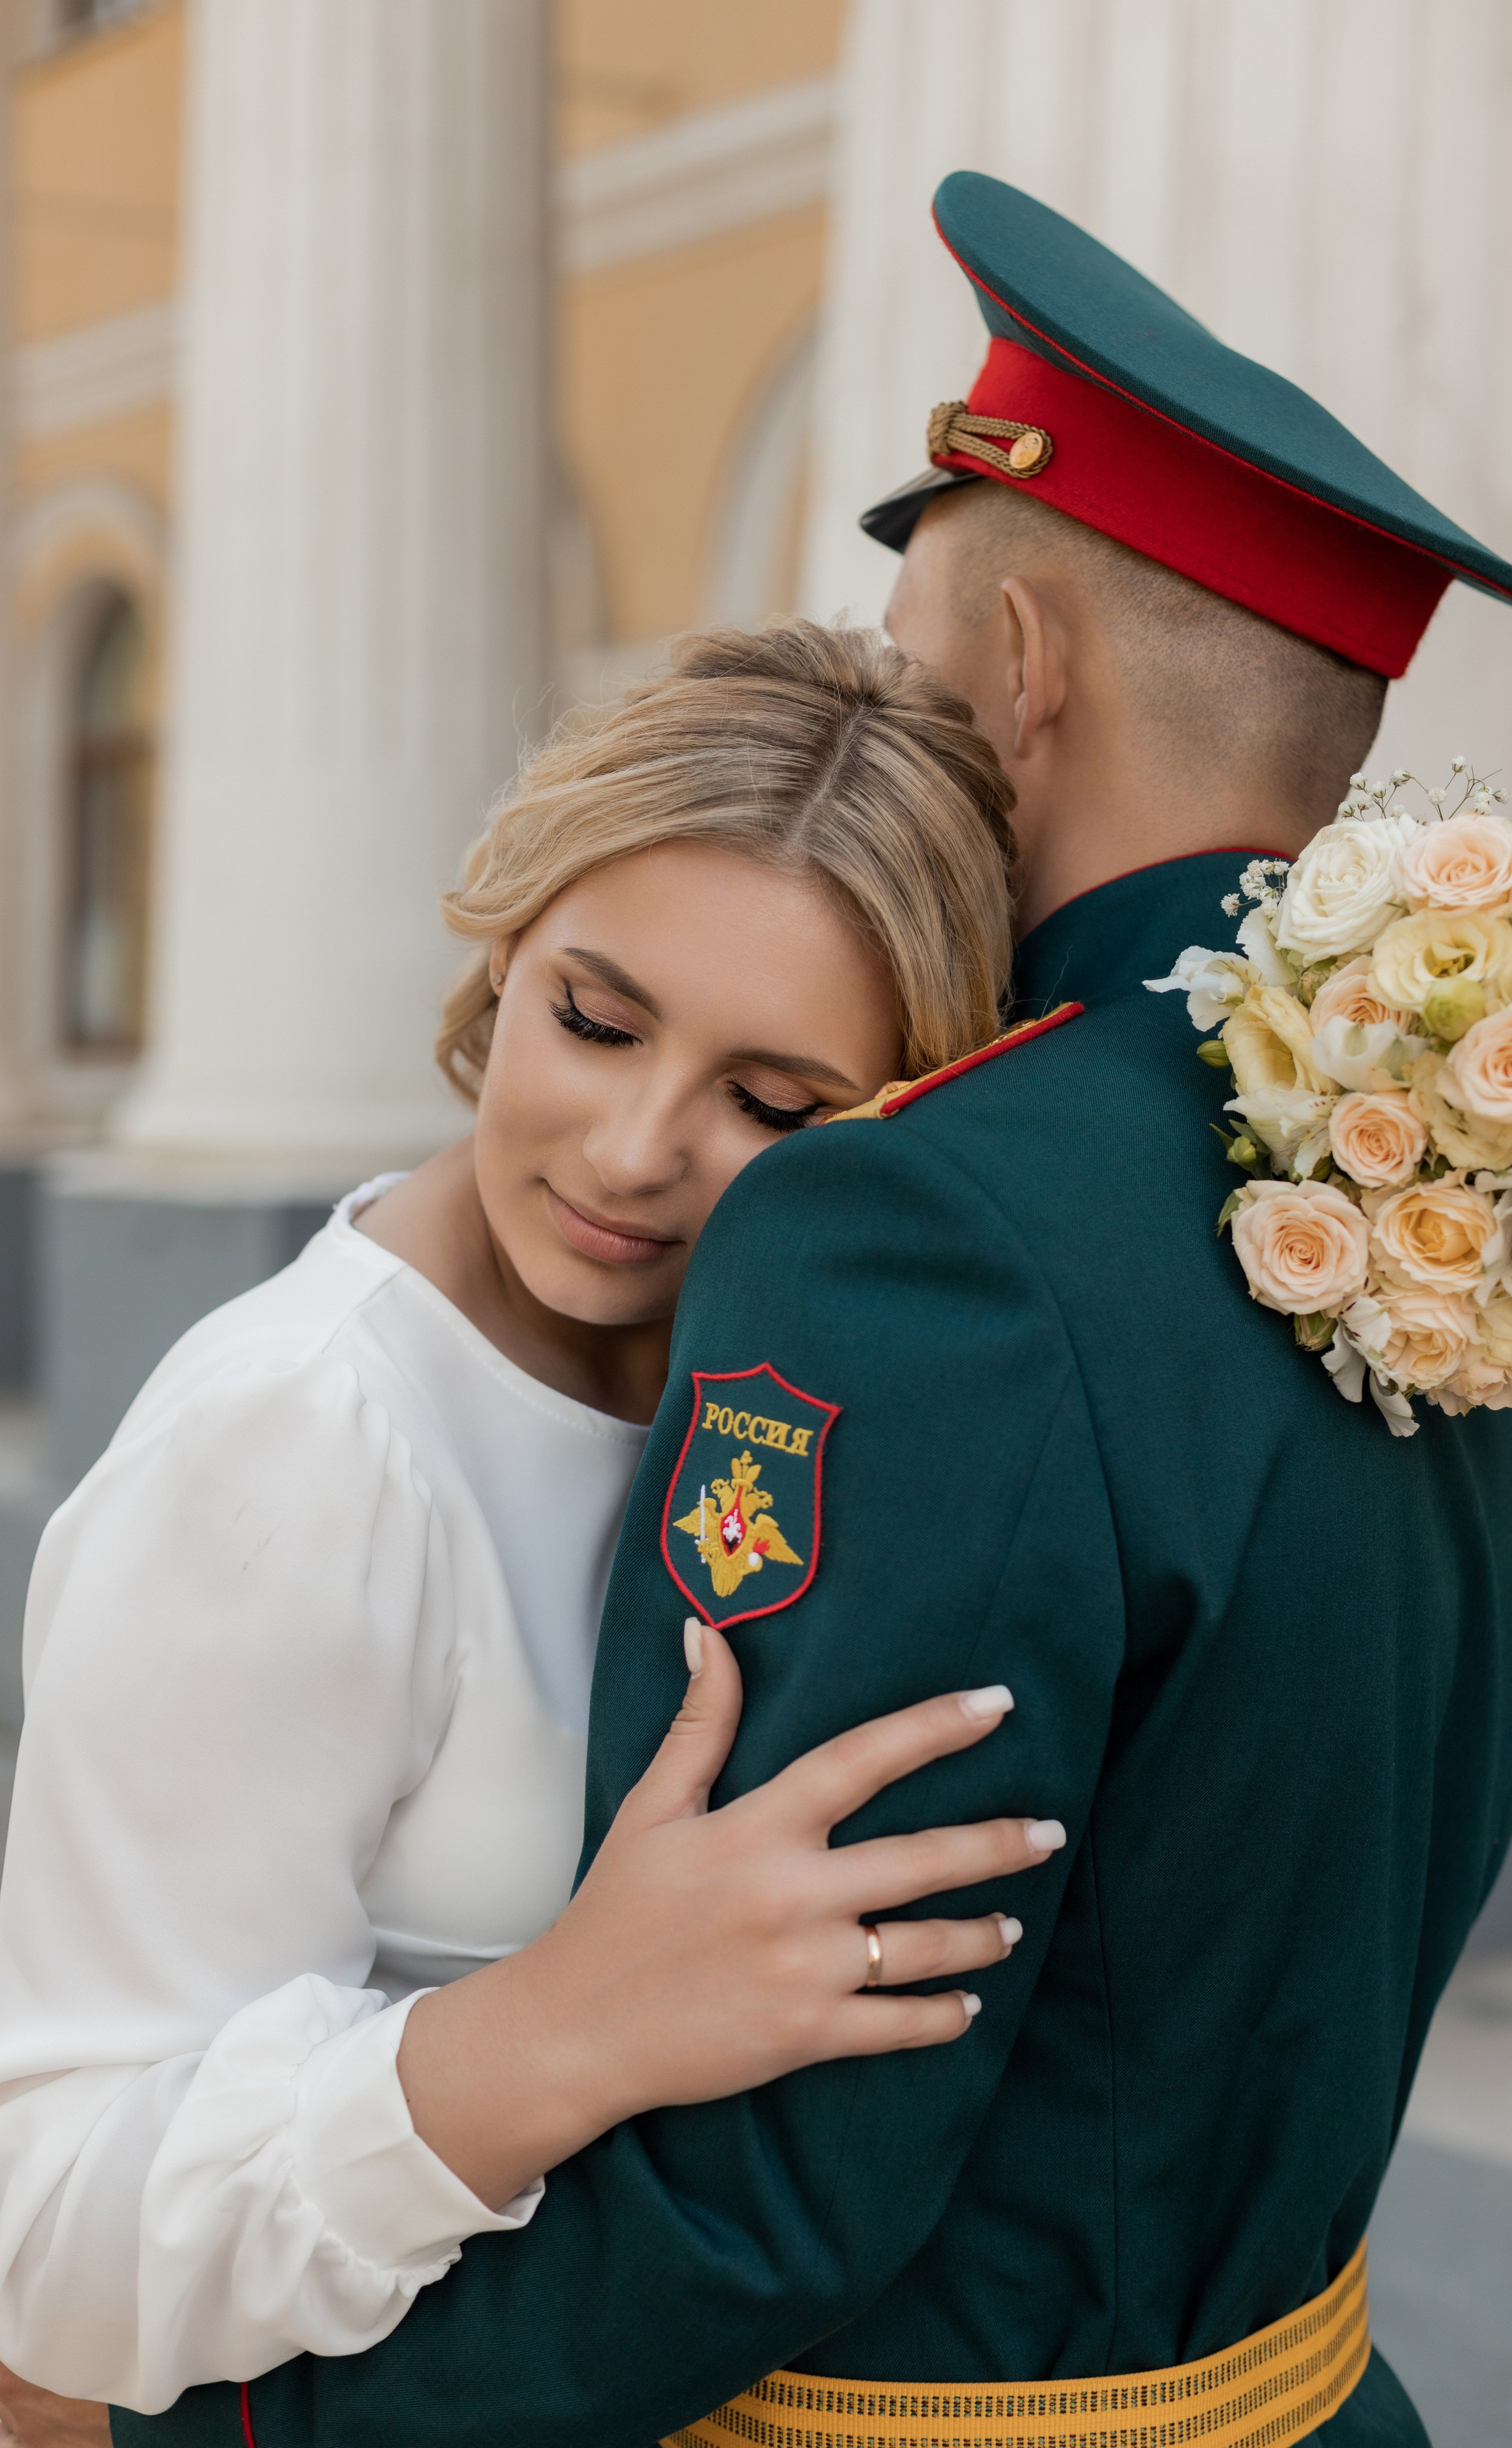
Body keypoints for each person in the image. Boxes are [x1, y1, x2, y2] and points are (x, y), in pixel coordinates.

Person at [130, 175, 1512, 2448]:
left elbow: (764, 2183)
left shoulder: (921, 1222)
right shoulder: (1457, 1197)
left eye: (912, 654)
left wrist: (219, 2431)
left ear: (1020, 673)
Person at [0, 622, 1073, 2420]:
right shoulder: (299, 1440)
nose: (637, 1148)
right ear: (502, 947)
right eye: (595, 1016)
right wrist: (563, 2025)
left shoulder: (759, 1390)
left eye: (772, 1102)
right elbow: (50, 2240)